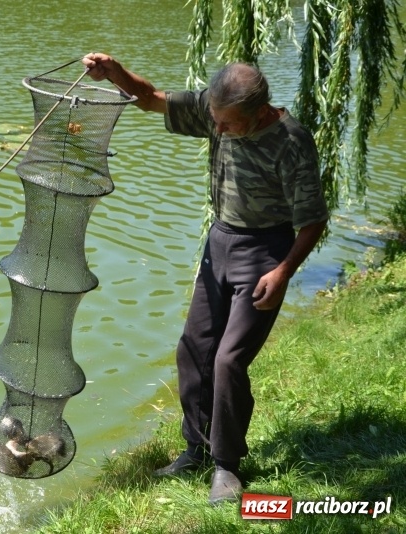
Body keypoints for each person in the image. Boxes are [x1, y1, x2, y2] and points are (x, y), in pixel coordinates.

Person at [82, 53, 329, 505]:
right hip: (219, 243)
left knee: (229, 360)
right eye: (214, 120)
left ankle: (227, 466)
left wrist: (283, 271)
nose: (217, 131)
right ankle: (194, 448)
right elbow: (151, 99)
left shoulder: (292, 142)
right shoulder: (217, 109)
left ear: (258, 113)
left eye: (228, 124)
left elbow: (313, 220)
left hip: (265, 252)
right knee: (193, 350)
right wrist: (115, 73)